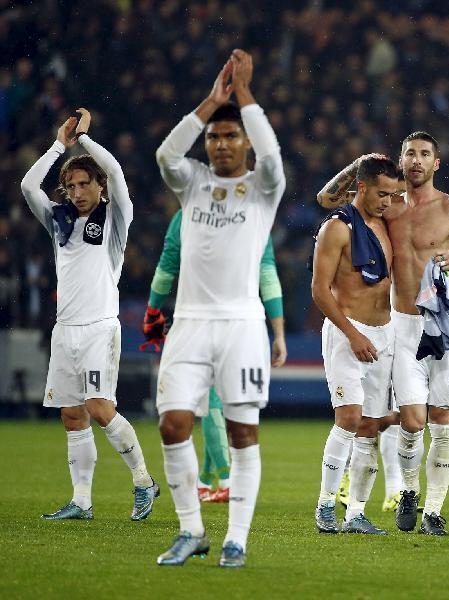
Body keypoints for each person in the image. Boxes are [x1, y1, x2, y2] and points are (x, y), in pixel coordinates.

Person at [318, 134, 449, 536]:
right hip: (402, 324)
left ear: (437, 163)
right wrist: (360, 162)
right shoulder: (388, 207)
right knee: (412, 420)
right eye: (410, 154)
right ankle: (408, 491)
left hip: (447, 323)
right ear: (400, 161)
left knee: (444, 418)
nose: (416, 161)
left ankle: (433, 511)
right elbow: (328, 200)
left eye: (424, 154)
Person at [154, 49, 285, 567]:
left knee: (241, 432)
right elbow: (166, 156)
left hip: (241, 327)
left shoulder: (260, 190)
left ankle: (236, 538)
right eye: (214, 136)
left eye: (231, 135)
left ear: (245, 142)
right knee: (172, 425)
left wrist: (245, 97)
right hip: (188, 326)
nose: (221, 143)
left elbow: (274, 160)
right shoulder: (193, 183)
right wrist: (210, 103)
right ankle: (192, 531)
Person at [20, 108, 159, 521]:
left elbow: (115, 172)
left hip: (99, 327)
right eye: (71, 185)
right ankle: (81, 501)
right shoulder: (59, 222)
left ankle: (143, 481)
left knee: (100, 407)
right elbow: (29, 185)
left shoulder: (115, 219)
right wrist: (59, 146)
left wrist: (83, 140)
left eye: (85, 183)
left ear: (99, 187)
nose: (78, 191)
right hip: (65, 331)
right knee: (71, 414)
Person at [141, 209, 288, 503]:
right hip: (243, 327)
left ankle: (225, 478)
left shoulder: (186, 215)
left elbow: (167, 265)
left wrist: (153, 311)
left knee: (211, 406)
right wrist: (279, 332)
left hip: (199, 324)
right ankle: (209, 479)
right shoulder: (254, 215)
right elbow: (267, 272)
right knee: (223, 410)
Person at [311, 155, 404, 535]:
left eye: (393, 194)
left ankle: (356, 514)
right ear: (361, 188)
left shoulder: (385, 222)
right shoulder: (336, 228)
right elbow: (319, 290)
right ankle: (325, 507)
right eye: (382, 193)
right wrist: (353, 334)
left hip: (385, 334)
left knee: (370, 426)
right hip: (348, 332)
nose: (388, 201)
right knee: (348, 418)